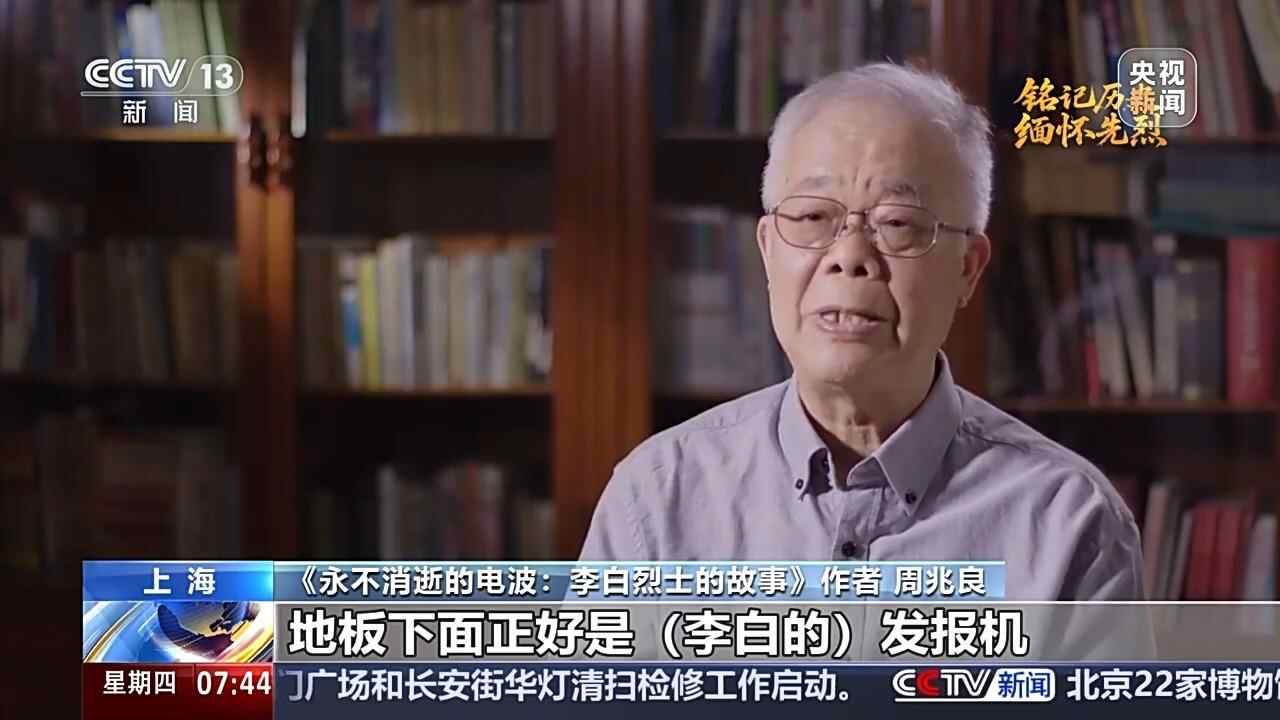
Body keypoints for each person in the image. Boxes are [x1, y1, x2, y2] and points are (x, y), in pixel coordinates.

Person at [579, 62, 1144, 602]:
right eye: (812, 218)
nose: (849, 256)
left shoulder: (1069, 521)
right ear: (768, 250)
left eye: (897, 224)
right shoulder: (658, 496)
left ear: (968, 269)